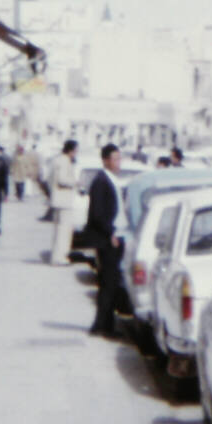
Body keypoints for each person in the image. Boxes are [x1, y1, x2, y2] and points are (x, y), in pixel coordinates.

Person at [86, 143, 125, 336]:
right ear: (105, 160)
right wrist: (111, 234)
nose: (119, 162)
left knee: (111, 282)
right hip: (108, 238)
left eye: (119, 158)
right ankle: (101, 325)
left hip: (116, 235)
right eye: (115, 159)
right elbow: (97, 214)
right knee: (108, 282)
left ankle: (106, 323)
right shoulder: (101, 182)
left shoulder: (113, 180)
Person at [48, 139, 79, 265]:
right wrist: (75, 182)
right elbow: (62, 179)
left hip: (57, 199)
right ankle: (60, 257)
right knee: (64, 231)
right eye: (76, 150)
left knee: (58, 230)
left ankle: (56, 255)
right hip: (64, 200)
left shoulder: (56, 159)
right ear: (70, 150)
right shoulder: (65, 161)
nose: (76, 153)